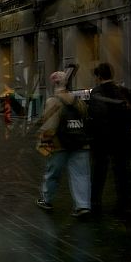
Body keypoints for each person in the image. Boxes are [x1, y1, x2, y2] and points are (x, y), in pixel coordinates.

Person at [35, 71, 92, 217]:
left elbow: (49, 126)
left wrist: (44, 146)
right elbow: (86, 120)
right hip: (81, 144)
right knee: (81, 175)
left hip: (60, 145)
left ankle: (46, 200)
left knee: (52, 174)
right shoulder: (78, 101)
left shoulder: (53, 101)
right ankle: (83, 205)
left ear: (53, 84)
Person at [88, 62, 131, 213]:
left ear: (98, 76)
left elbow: (95, 116)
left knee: (99, 171)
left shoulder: (96, 93)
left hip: (102, 138)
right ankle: (124, 201)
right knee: (122, 170)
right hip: (121, 137)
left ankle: (95, 202)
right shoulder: (122, 91)